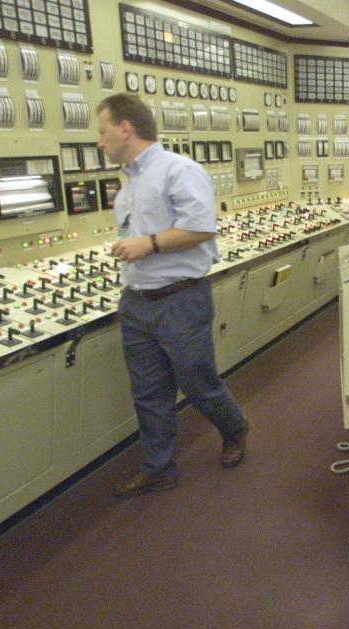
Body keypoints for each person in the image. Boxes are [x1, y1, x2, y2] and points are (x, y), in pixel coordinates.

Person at [96, 93, 248, 498]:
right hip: (137, 302)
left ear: (125, 128)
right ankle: (158, 467)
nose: (100, 141)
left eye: (102, 130)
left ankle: (234, 429)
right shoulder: (128, 184)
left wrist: (149, 243)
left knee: (198, 384)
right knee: (148, 393)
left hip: (180, 300)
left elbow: (201, 227)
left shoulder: (178, 170)